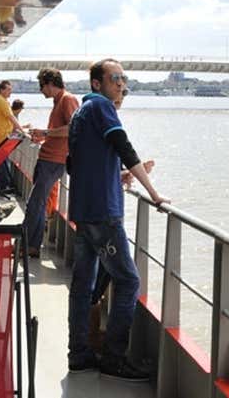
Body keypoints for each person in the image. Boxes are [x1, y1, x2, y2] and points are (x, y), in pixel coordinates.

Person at [67, 58, 168, 380]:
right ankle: (113, 359)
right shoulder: (101, 108)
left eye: (124, 79)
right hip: (102, 214)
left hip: (83, 211)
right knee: (128, 281)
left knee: (83, 286)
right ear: (97, 83)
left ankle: (79, 354)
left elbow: (77, 165)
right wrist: (154, 193)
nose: (121, 84)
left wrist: (118, 176)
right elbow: (124, 146)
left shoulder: (81, 113)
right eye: (114, 78)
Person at [22, 68, 78, 258]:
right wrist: (44, 137)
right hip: (48, 157)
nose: (40, 90)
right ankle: (31, 243)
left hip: (54, 160)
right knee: (37, 202)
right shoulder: (58, 101)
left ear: (50, 83)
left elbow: (73, 129)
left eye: (41, 86)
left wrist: (45, 133)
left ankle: (30, 244)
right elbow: (61, 132)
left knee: (35, 203)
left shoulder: (67, 100)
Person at [0, 80, 24, 191]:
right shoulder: (2, 101)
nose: (10, 92)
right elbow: (12, 117)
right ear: (1, 90)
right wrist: (22, 131)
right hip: (0, 136)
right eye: (8, 89)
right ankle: (3, 186)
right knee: (1, 163)